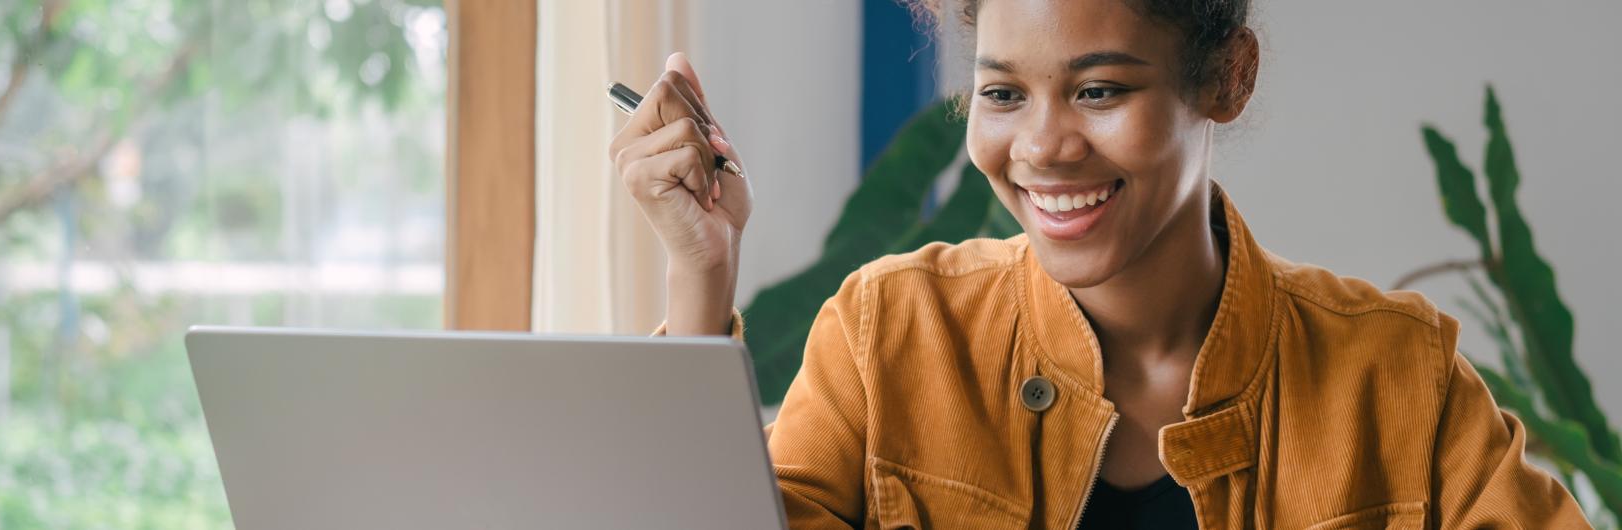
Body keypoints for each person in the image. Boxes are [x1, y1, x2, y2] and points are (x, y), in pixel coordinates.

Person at [607, 0, 1596, 528]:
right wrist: (701, 274)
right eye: (1003, 96)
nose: (1042, 147)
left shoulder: (1398, 378)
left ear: (1227, 77)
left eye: (1099, 90)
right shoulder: (889, 333)